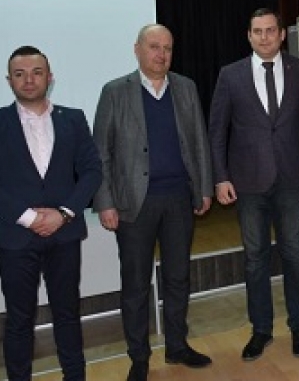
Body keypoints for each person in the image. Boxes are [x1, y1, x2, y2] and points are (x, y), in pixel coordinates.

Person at [0, 46, 102, 381]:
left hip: (65, 233)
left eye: (36, 72)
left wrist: (64, 213)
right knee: (19, 321)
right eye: (20, 74)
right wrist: (30, 218)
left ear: (50, 77)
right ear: (9, 80)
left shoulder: (73, 118)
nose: (29, 80)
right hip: (14, 237)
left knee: (68, 315)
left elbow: (91, 171)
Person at [92, 24, 214, 381]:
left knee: (178, 277)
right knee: (135, 284)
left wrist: (203, 188)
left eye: (168, 48)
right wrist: (105, 202)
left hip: (178, 199)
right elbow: (101, 153)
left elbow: (199, 140)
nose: (162, 54)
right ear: (137, 49)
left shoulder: (186, 88)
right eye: (154, 47)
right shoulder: (115, 92)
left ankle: (177, 346)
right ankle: (139, 357)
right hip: (134, 205)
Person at [209, 8, 299, 361]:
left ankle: (298, 327)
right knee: (255, 258)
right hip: (248, 182)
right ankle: (261, 330)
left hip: (291, 178)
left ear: (282, 34)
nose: (265, 37)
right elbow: (217, 130)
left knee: (294, 253)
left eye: (271, 30)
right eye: (258, 31)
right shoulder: (230, 75)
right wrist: (220, 176)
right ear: (249, 36)